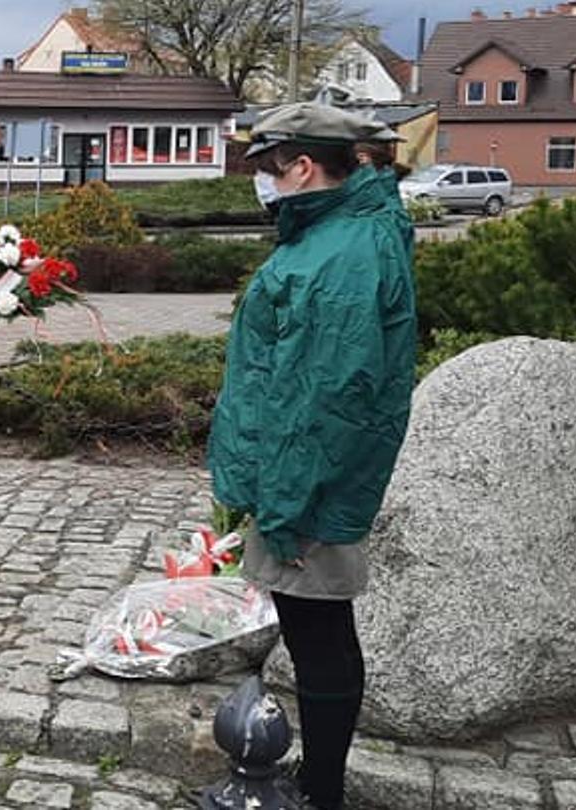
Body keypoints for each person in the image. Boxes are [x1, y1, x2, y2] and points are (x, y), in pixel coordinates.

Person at [208, 103, 418, 810]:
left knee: (321, 632)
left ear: (301, 166)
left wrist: (289, 508)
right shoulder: (335, 234)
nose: (262, 185)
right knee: (316, 629)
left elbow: (328, 395)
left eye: (267, 170)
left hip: (310, 490)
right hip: (300, 480)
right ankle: (318, 780)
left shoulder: (342, 254)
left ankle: (320, 788)